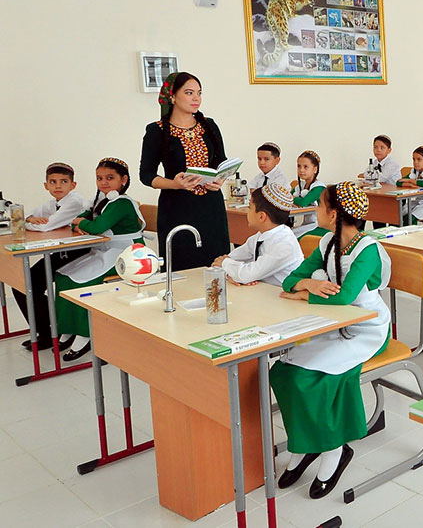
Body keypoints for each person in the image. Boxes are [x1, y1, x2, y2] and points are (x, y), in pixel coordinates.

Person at [273, 182, 392, 499]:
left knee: (310, 378)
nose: (315, 208)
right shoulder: (326, 242)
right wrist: (308, 283)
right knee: (282, 372)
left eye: (321, 204)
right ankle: (304, 444)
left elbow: (346, 298)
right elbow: (290, 279)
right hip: (331, 323)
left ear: (335, 212)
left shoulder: (368, 250)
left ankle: (334, 449)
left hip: (367, 329)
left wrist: (302, 296)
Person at [54, 158, 144, 361]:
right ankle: (68, 328)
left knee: (82, 281)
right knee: (63, 276)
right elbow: (76, 223)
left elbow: (96, 227)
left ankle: (86, 334)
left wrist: (82, 222)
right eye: (99, 178)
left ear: (123, 180)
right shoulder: (102, 202)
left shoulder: (121, 203)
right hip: (105, 250)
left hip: (128, 254)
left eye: (110, 178)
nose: (103, 183)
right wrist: (82, 222)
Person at [140, 72, 230, 270]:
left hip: (211, 207)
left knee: (215, 266)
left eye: (199, 93)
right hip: (177, 208)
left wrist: (220, 180)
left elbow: (221, 162)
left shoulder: (209, 126)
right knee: (181, 266)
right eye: (189, 93)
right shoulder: (156, 131)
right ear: (172, 96)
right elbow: (146, 174)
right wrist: (174, 184)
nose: (196, 98)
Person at [15, 162, 88, 351]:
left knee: (27, 285)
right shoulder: (52, 203)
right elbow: (27, 215)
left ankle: (50, 333)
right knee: (23, 285)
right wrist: (30, 219)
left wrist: (30, 223)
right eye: (53, 182)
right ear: (46, 186)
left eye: (63, 181)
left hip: (83, 250)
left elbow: (46, 226)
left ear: (73, 185)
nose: (58, 186)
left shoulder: (74, 201)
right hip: (63, 249)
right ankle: (47, 332)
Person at [213, 184, 303, 287]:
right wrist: (230, 273)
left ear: (261, 217)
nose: (248, 212)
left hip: (281, 297)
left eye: (249, 208)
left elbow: (246, 274)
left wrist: (228, 266)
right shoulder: (260, 236)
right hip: (263, 293)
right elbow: (229, 259)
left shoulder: (284, 245)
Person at [291, 150, 327, 238]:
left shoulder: (319, 187)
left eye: (305, 167)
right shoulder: (301, 186)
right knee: (287, 234)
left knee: (291, 237)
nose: (301, 170)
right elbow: (286, 197)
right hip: (307, 224)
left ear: (315, 169)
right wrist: (292, 199)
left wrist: (293, 199)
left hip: (318, 225)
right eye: (299, 166)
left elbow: (303, 202)